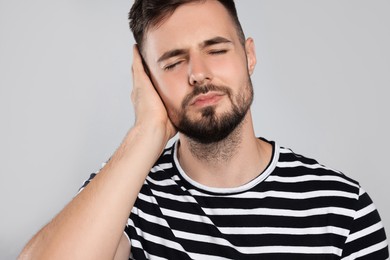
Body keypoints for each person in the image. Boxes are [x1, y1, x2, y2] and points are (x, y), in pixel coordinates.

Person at [19, 0, 388, 259]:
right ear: (146, 81)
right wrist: (146, 132)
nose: (197, 73)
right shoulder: (126, 194)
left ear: (250, 56)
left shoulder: (343, 207)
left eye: (216, 50)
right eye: (174, 62)